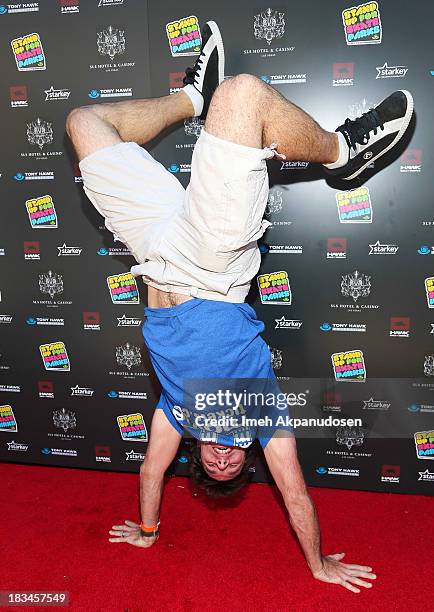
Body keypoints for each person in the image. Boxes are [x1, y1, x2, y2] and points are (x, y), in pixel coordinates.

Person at [66, 20, 413, 593]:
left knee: (84, 121)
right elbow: (296, 493)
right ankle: (341, 152)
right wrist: (318, 564)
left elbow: (151, 471)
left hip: (152, 246)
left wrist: (150, 530)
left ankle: (188, 99)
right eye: (234, 466)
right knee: (243, 95)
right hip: (211, 265)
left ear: (198, 455)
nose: (223, 461)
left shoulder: (176, 414)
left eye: (212, 466)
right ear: (250, 451)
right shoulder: (261, 415)